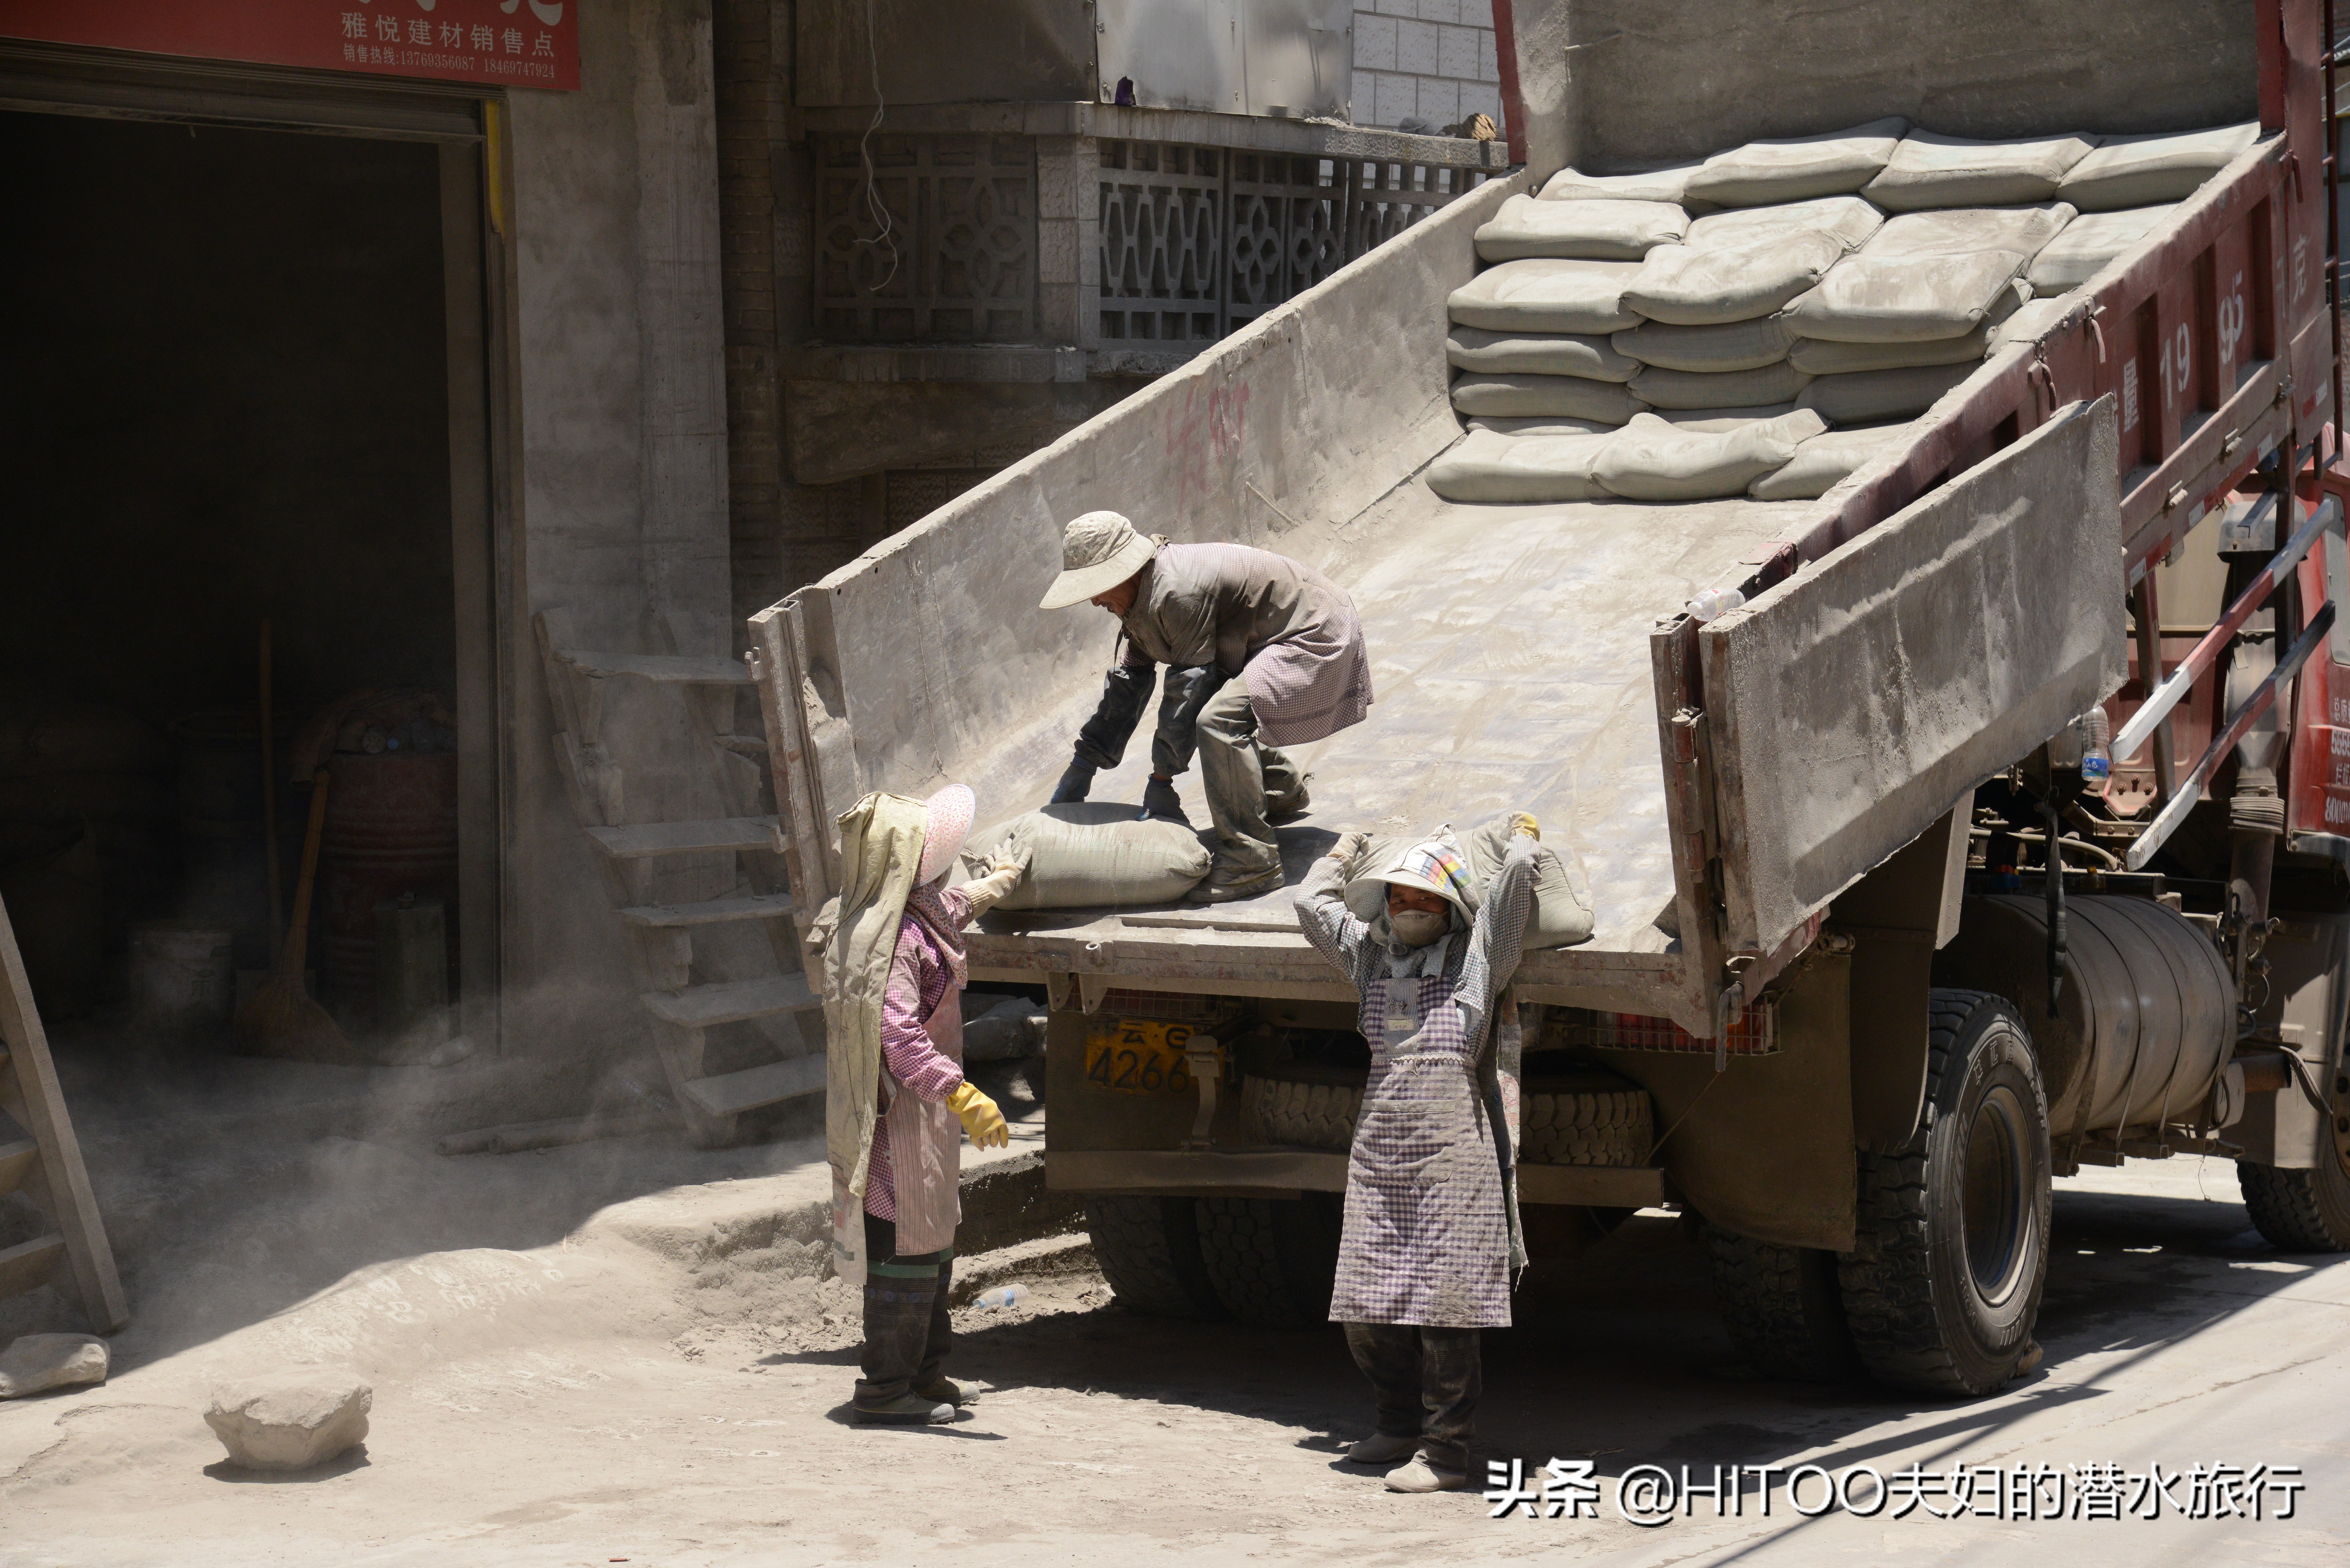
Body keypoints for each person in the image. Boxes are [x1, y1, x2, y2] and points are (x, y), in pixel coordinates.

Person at [1293, 815, 1540, 1491]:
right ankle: (1396, 1423)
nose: (1407, 909)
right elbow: (1309, 906)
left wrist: (1521, 840)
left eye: (1423, 900)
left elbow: (1514, 892)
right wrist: (1342, 852)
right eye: (1398, 898)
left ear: (1450, 911)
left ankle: (1445, 1451)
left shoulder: (1473, 960)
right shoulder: (1370, 959)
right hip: (1379, 1154)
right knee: (1366, 1308)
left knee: (1445, 1309)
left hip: (1452, 1156)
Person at [818, 783, 1029, 1425]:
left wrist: (995, 885)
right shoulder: (892, 943)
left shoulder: (909, 912)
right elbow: (899, 1038)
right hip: (895, 1120)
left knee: (932, 1247)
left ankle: (925, 1371)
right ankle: (884, 1389)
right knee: (902, 1254)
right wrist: (964, 1093)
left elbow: (952, 907)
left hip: (923, 1119)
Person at [1038, 511, 1373, 903]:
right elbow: (1128, 685)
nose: (1095, 600)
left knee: (1218, 720)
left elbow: (1189, 689)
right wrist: (1085, 763)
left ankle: (1253, 863)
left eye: (1098, 587)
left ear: (1125, 571)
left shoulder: (1175, 592)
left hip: (1315, 631)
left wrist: (1161, 779)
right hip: (1272, 635)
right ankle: (1280, 790)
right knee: (1223, 705)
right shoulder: (1141, 598)